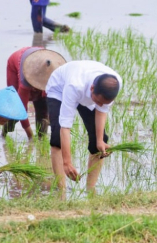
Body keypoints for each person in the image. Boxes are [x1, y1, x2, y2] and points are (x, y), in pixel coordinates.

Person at [47, 60, 122, 196]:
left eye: (103, 103)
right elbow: (65, 127)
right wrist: (67, 162)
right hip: (59, 89)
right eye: (98, 101)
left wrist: (99, 140)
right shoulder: (74, 86)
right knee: (57, 138)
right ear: (92, 88)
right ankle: (61, 191)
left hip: (85, 95)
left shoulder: (115, 83)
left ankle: (90, 189)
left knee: (99, 143)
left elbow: (101, 109)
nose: (99, 104)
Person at [5, 47, 66, 140]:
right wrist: (30, 137)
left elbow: (56, 102)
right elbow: (21, 109)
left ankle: (41, 138)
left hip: (42, 61)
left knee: (42, 110)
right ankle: (5, 132)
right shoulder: (25, 77)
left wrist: (52, 118)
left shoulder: (54, 72)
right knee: (14, 108)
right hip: (17, 63)